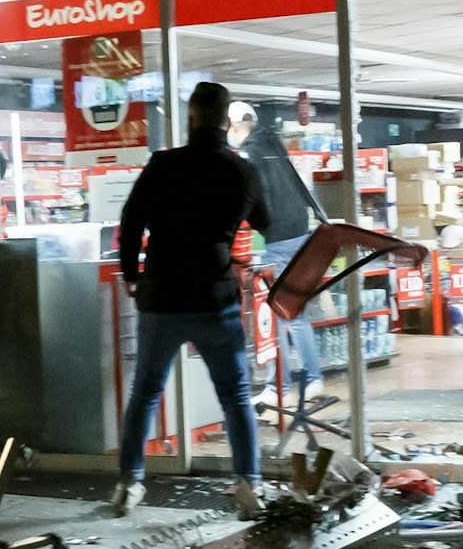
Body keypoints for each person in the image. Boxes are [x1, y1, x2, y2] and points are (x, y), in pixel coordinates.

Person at [115, 82, 272, 521]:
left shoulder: (162, 165)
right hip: (214, 300)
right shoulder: (241, 171)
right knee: (236, 396)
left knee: (145, 393)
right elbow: (266, 220)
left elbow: (131, 224)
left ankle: (128, 483)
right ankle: (248, 485)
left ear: (190, 118)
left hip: (162, 298)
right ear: (227, 122)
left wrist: (131, 274)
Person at [231, 99, 326, 404]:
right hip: (300, 233)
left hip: (277, 240)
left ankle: (279, 388)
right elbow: (296, 186)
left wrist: (252, 225)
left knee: (274, 318)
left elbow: (256, 198)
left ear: (234, 125)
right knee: (294, 314)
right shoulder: (274, 143)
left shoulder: (251, 153)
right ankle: (309, 380)